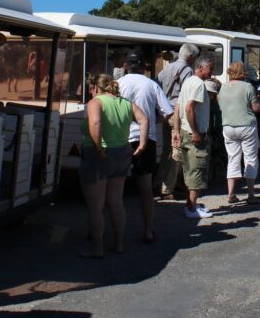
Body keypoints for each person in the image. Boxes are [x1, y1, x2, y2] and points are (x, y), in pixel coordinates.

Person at [79, 73, 148, 257]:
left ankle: (97, 249)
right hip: (122, 152)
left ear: (95, 87)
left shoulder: (96, 102)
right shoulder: (126, 103)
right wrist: (142, 144)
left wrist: (98, 148)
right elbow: (144, 119)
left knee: (96, 206)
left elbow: (95, 122)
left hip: (99, 155)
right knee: (116, 202)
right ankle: (118, 244)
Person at [116, 51, 173, 243]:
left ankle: (114, 232)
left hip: (121, 138)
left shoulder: (118, 84)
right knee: (145, 188)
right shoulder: (151, 84)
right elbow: (167, 112)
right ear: (144, 66)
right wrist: (154, 121)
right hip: (146, 138)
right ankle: (148, 230)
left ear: (126, 65)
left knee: (115, 188)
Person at [154, 43, 199, 199]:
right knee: (177, 152)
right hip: (177, 114)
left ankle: (158, 183)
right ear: (191, 56)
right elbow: (187, 95)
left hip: (166, 113)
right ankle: (167, 188)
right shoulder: (187, 71)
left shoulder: (166, 69)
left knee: (167, 151)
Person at [175, 54, 215, 218]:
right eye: (210, 68)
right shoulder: (198, 84)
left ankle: (192, 205)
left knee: (189, 170)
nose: (212, 72)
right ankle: (191, 209)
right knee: (197, 170)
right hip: (194, 134)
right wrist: (196, 132)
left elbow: (178, 107)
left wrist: (176, 130)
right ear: (200, 68)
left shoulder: (188, 81)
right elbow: (188, 108)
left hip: (185, 131)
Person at [219, 61, 260, 203]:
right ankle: (251, 195)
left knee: (233, 158)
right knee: (250, 158)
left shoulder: (223, 87)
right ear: (243, 72)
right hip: (246, 125)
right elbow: (255, 108)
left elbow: (221, 107)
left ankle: (231, 194)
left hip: (228, 126)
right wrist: (259, 100)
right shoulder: (247, 86)